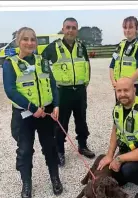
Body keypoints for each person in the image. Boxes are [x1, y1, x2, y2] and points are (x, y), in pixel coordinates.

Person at [3, 27, 63, 198]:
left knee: (50, 148)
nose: (30, 43)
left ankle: (55, 178)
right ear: (18, 42)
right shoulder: (10, 63)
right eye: (25, 39)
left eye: (33, 39)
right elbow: (10, 90)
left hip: (45, 113)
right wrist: (31, 107)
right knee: (25, 151)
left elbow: (53, 84)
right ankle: (26, 184)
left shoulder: (42, 61)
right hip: (25, 116)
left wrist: (57, 105)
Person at [41, 17, 95, 166]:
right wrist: (49, 87)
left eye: (73, 28)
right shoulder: (54, 47)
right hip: (61, 92)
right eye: (68, 27)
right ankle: (60, 151)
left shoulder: (81, 47)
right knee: (60, 123)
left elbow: (87, 65)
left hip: (79, 91)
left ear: (77, 30)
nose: (70, 30)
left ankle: (82, 146)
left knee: (81, 121)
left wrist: (85, 83)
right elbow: (42, 65)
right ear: (63, 29)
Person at [109, 16, 138, 100]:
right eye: (125, 27)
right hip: (119, 89)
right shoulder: (120, 45)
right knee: (120, 111)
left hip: (133, 87)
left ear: (136, 28)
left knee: (135, 112)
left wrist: (127, 84)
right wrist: (114, 82)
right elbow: (111, 66)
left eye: (130, 27)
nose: (127, 30)